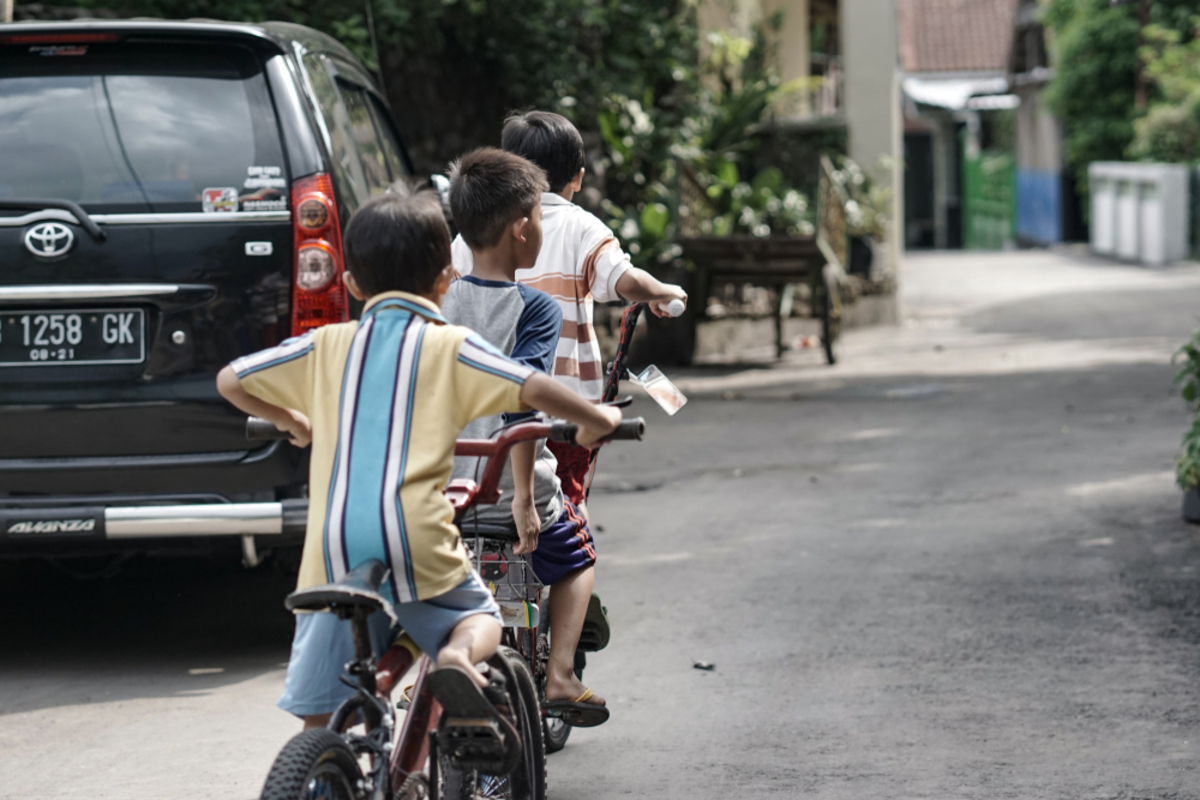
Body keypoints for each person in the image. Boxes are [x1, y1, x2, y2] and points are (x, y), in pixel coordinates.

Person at [215, 184, 622, 730]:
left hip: (332, 545)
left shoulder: (328, 344)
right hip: (415, 537)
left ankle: (327, 762)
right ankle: (452, 661)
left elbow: (231, 379)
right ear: (444, 279)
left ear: (353, 283)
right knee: (479, 621)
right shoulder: (450, 345)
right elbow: (532, 389)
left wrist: (293, 422)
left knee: (321, 716)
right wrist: (599, 421)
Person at [441, 147, 609, 726]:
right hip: (510, 487)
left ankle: (427, 677)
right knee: (577, 554)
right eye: (539, 215)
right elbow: (521, 401)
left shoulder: (436, 303)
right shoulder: (534, 309)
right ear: (521, 228)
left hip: (444, 491)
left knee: (432, 576)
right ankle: (560, 674)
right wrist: (520, 499)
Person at [451, 110, 688, 519]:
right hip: (566, 413)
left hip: (484, 417)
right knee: (569, 517)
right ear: (577, 177)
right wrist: (664, 292)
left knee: (484, 509)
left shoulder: (469, 237)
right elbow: (627, 281)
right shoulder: (582, 226)